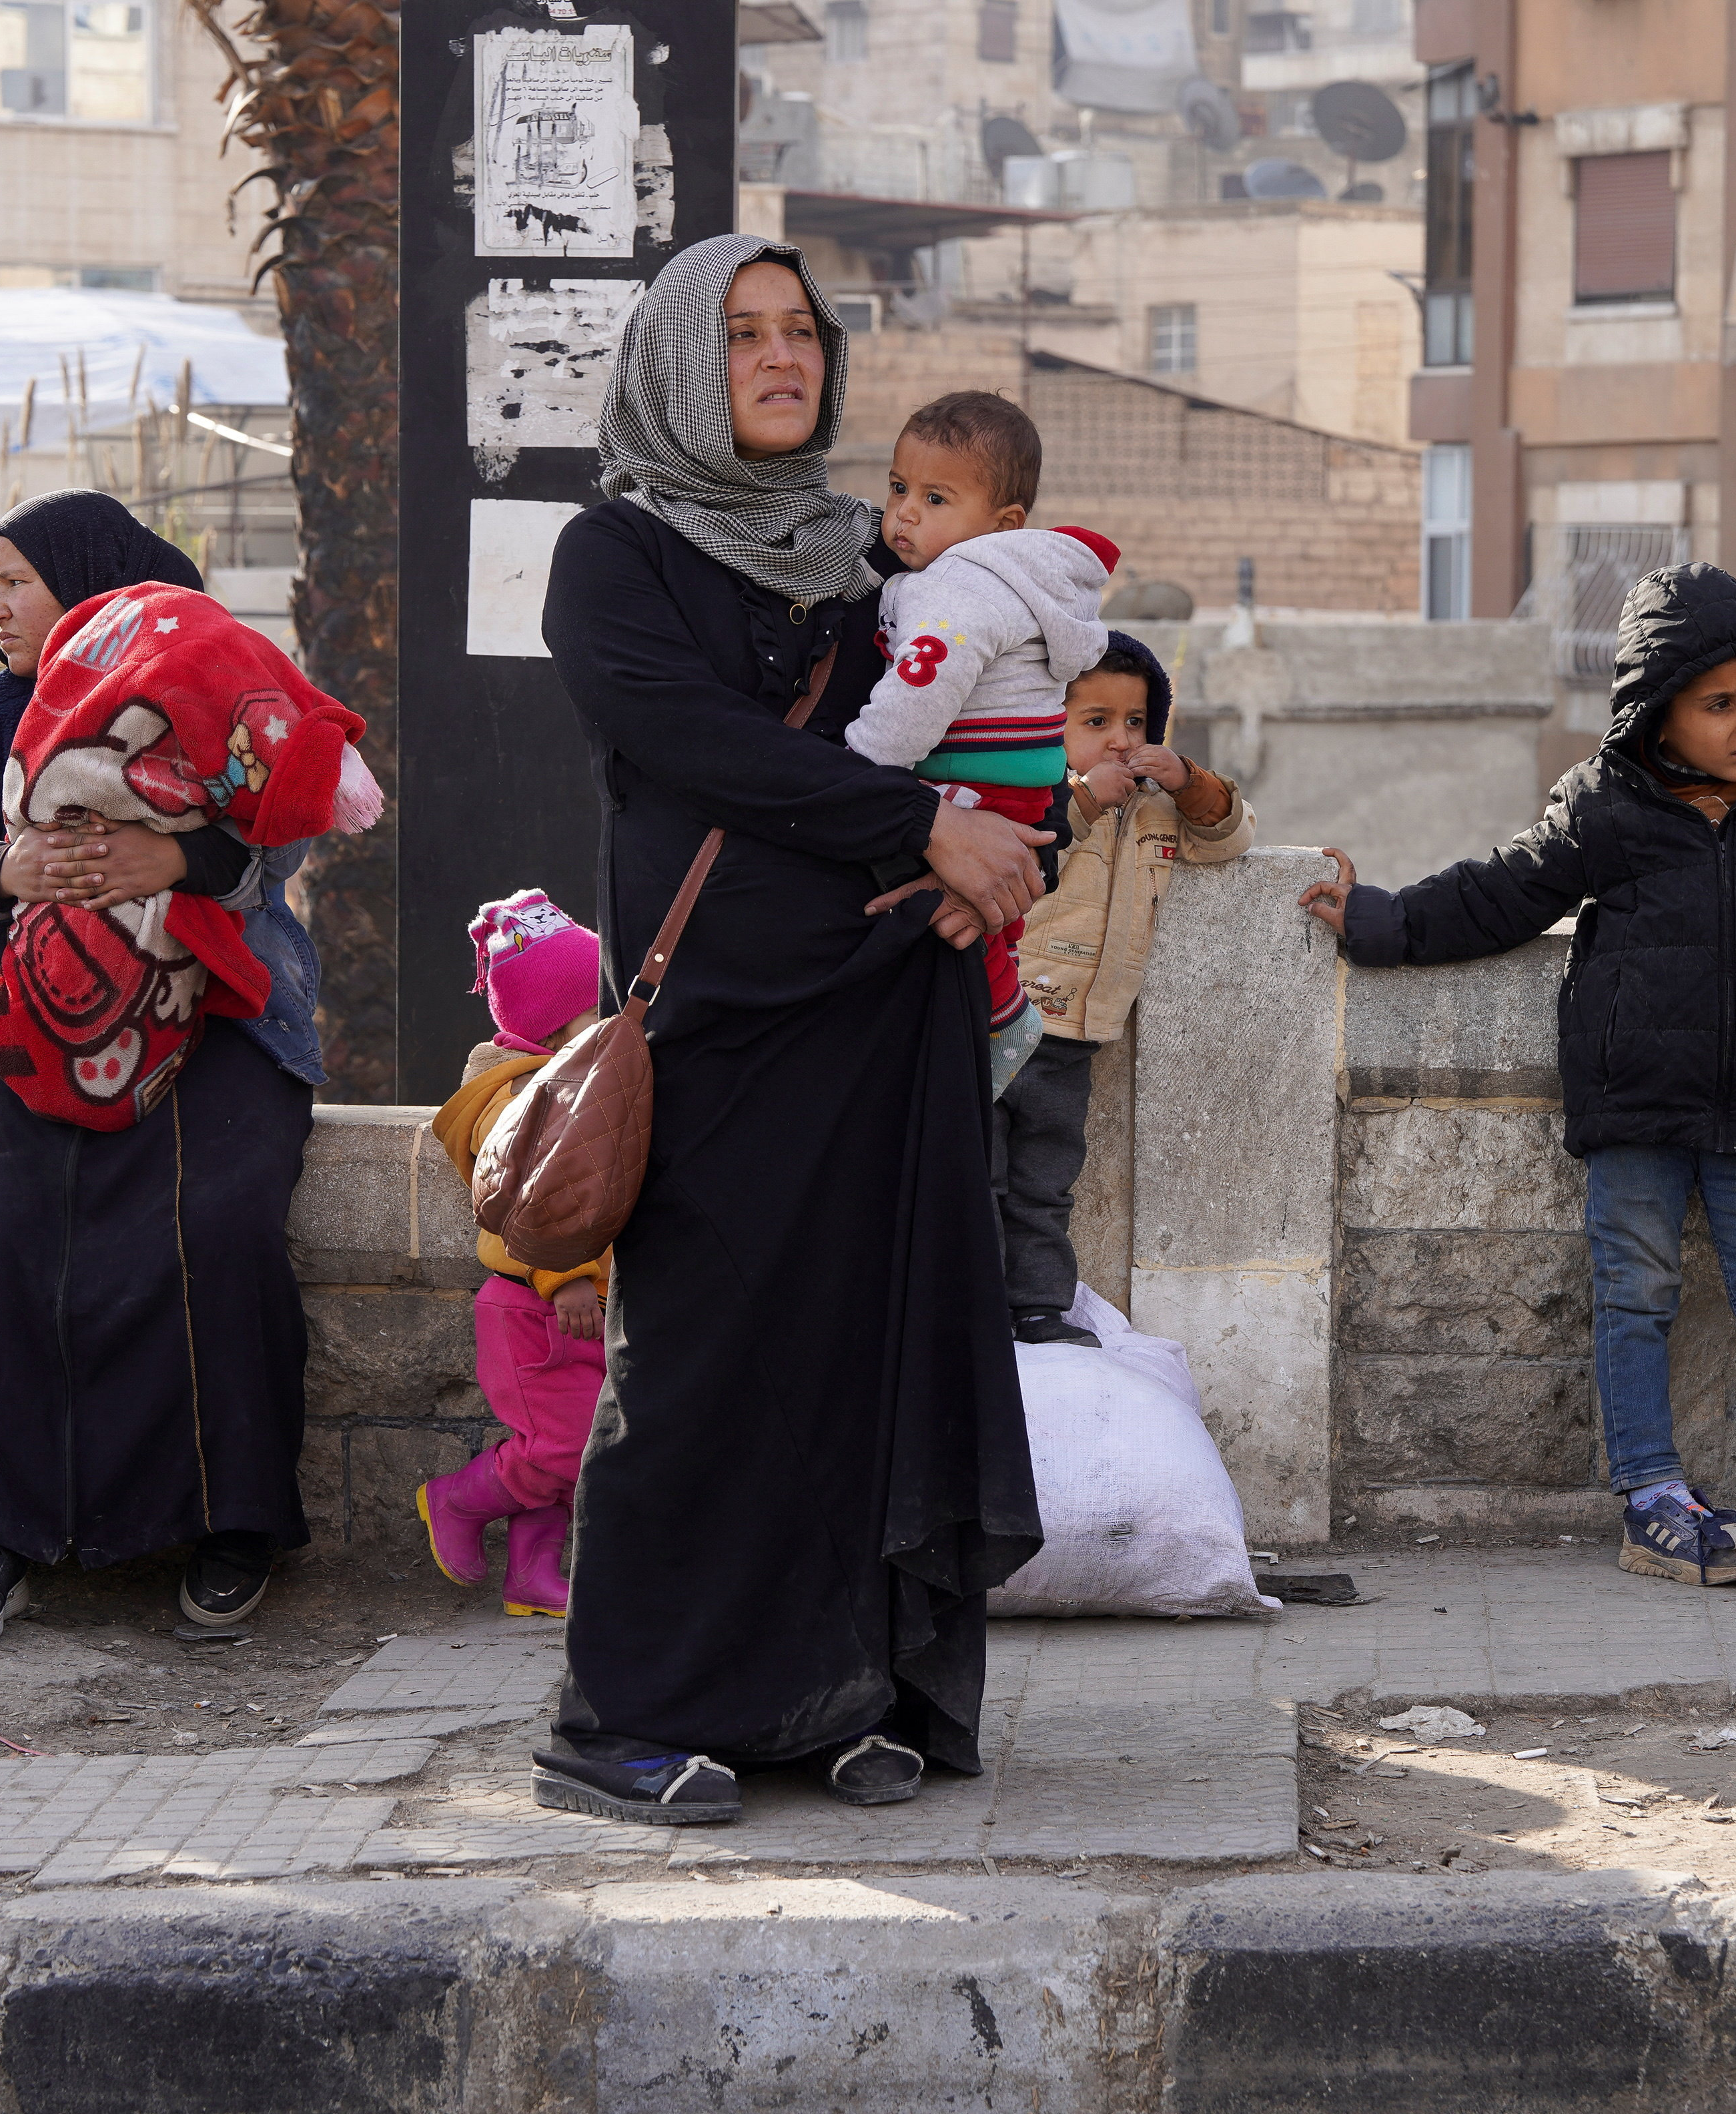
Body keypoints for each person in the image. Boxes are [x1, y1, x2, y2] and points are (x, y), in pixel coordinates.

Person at [533, 233, 1044, 1826]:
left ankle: (838, 1697)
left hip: (885, 1009)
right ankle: (622, 1713)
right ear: (680, 365)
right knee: (698, 1362)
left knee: (860, 1355)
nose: (779, 357)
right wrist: (922, 824)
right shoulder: (612, 556)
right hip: (720, 1020)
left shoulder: (874, 556)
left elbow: (1013, 711)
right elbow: (692, 744)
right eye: (742, 333)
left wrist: (1001, 852)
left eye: (801, 332)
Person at [1300, 564, 1736, 1596]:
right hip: (1635, 1100)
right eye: (1719, 704)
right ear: (1659, 713)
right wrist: (1381, 920)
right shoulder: (1605, 804)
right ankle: (1653, 1497)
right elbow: (1503, 892)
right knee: (1634, 1294)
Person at [0, 488, 334, 1641]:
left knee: (221, 1213)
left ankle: (232, 1521)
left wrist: (174, 857)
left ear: (88, 588)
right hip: (38, 1013)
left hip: (218, 1009)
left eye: (14, 583)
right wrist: (7, 870)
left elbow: (285, 832)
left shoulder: (211, 683)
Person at [845, 389, 1118, 1097]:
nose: (905, 513)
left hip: (972, 775)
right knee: (990, 918)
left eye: (936, 499)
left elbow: (921, 690)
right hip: (1019, 780)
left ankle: (1003, 1019)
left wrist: (860, 768)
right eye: (899, 488)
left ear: (1004, 523)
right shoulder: (1016, 581)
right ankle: (997, 1011)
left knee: (941, 902)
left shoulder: (959, 587)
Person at [998, 633, 1253, 1345]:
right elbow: (1027, 845)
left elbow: (1229, 837)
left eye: (1136, 723)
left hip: (1072, 1037)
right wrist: (1082, 800)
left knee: (1045, 1183)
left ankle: (1038, 1308)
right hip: (1000, 1015)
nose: (1120, 740)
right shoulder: (1029, 792)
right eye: (1096, 721)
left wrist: (1187, 780)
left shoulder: (1152, 808)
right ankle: (967, 1306)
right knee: (974, 1174)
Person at [418, 890, 610, 1618]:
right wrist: (566, 1276)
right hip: (536, 1304)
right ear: (554, 1028)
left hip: (580, 1302)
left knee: (567, 1443)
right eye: (598, 1010)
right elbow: (526, 1194)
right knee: (564, 1447)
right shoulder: (518, 1099)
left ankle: (531, 1574)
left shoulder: (581, 1080)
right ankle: (457, 1501)